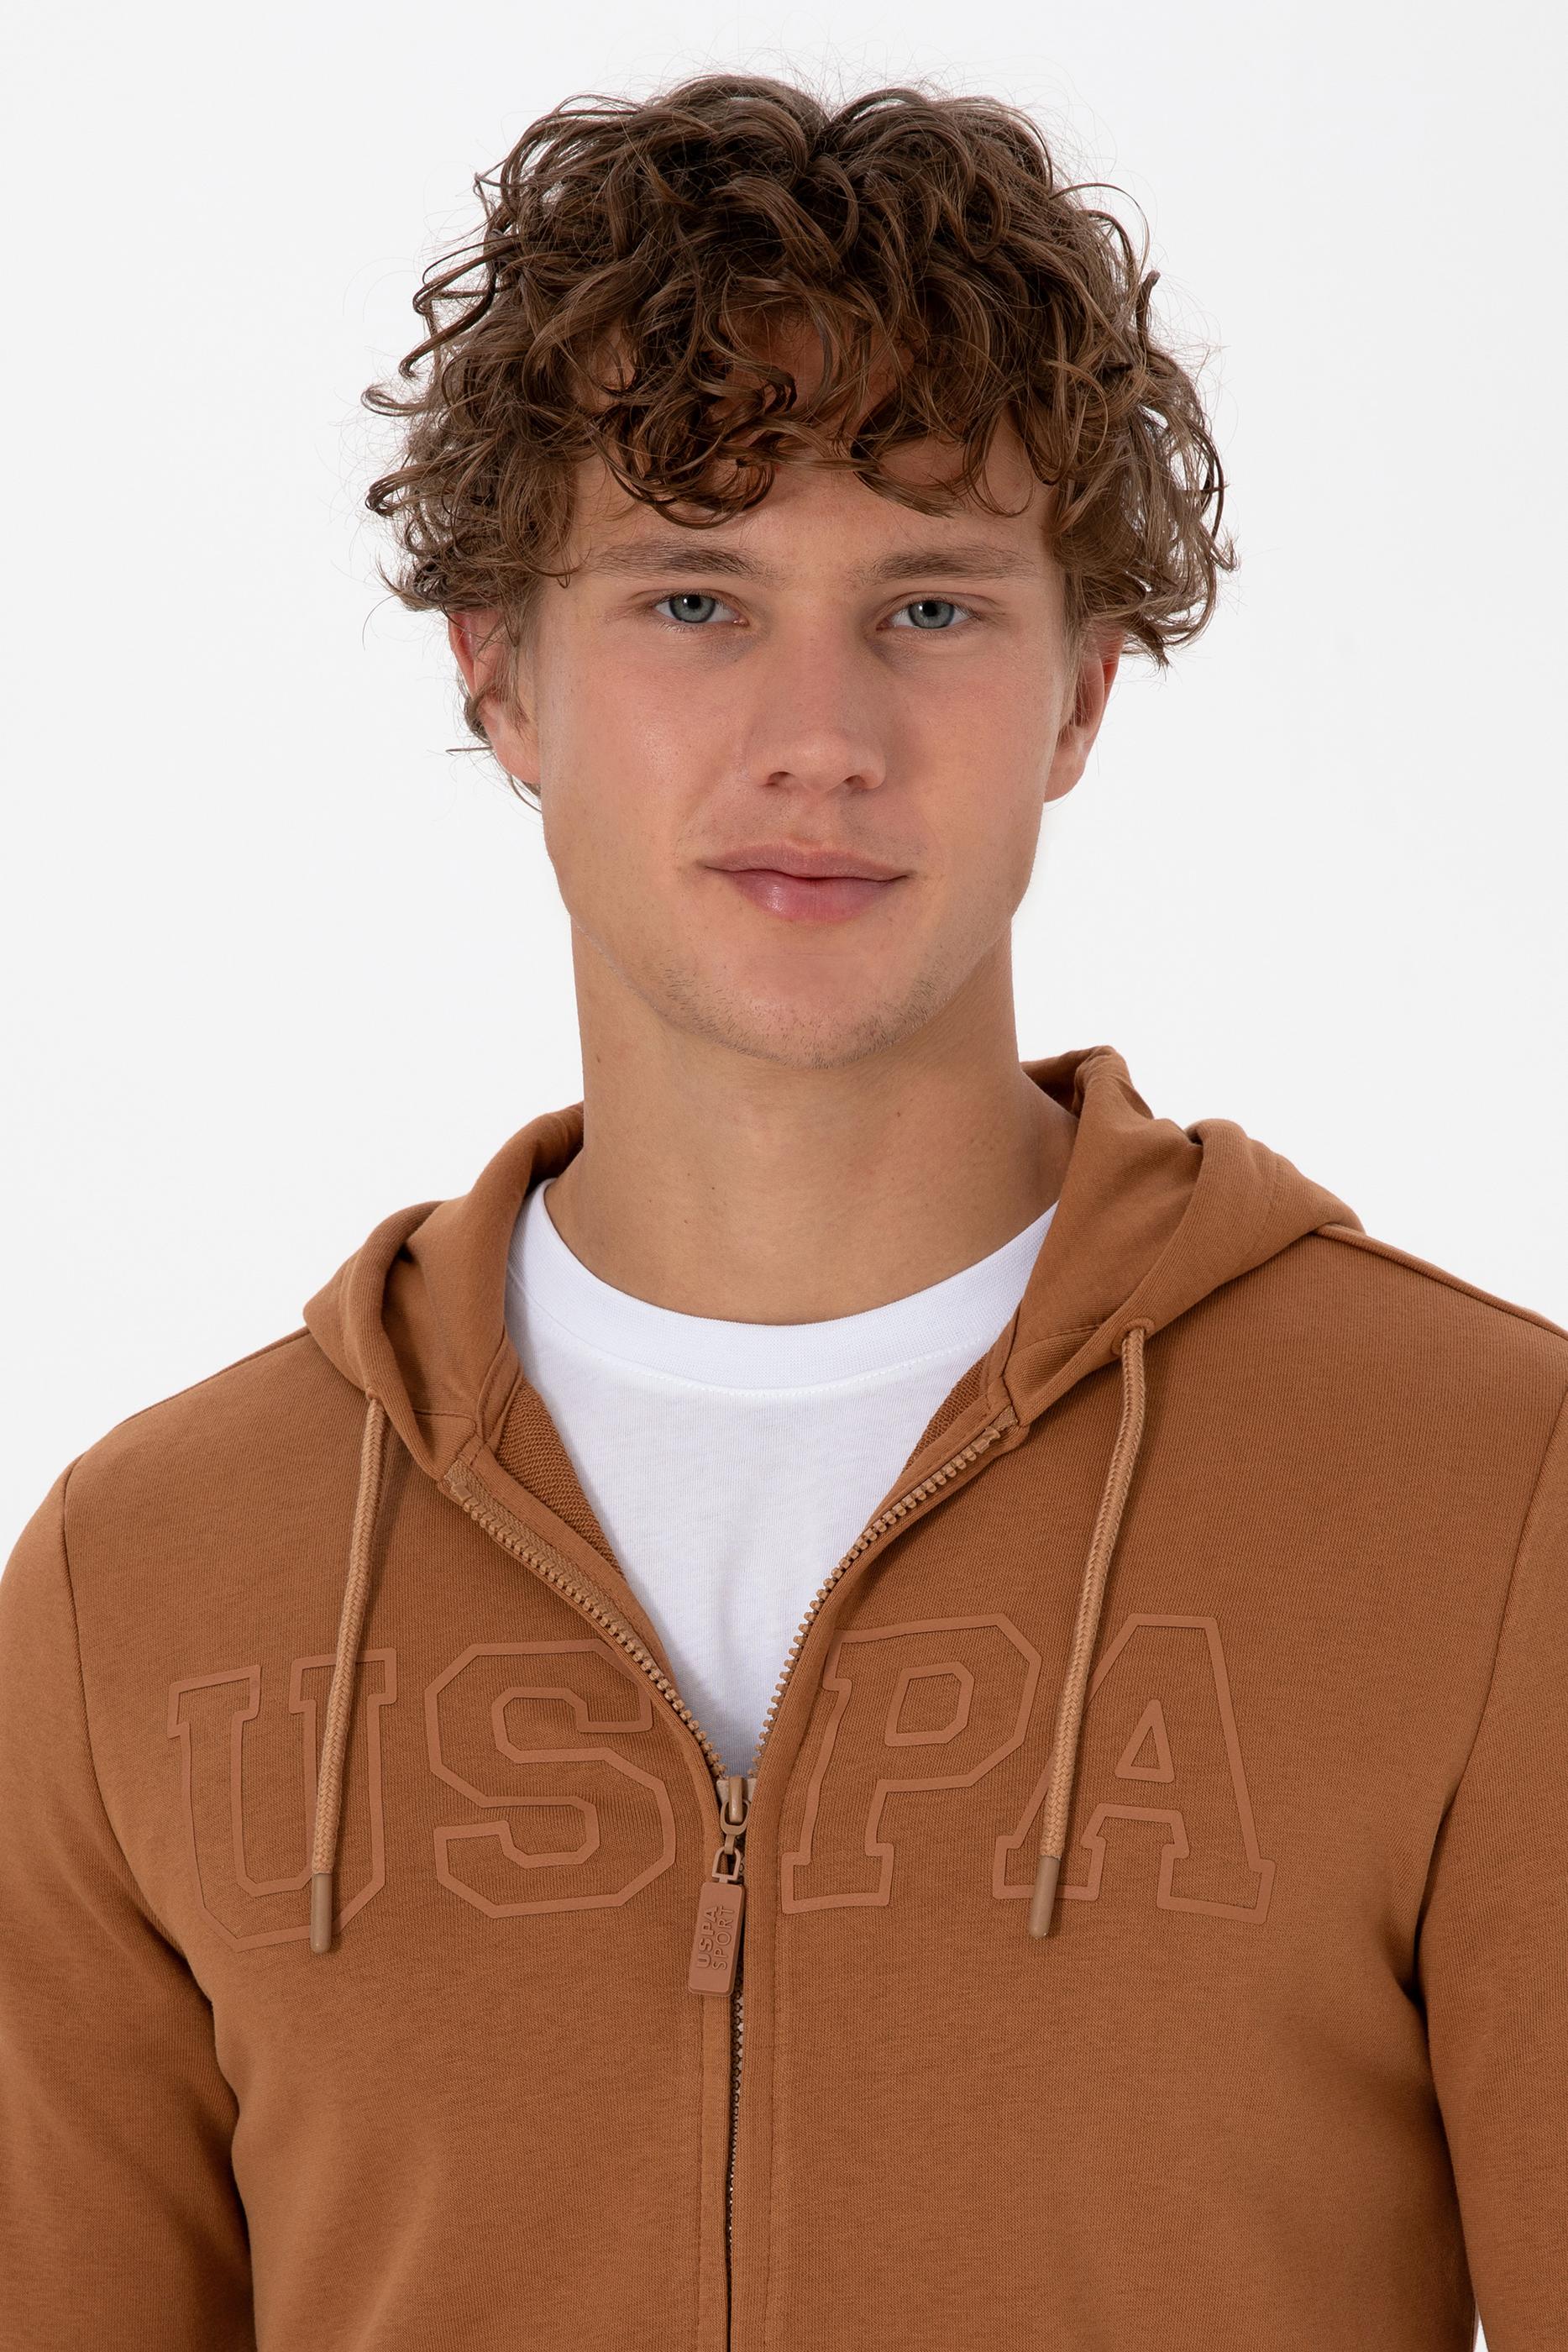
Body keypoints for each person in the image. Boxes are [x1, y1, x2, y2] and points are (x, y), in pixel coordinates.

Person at [1, 69, 1563, 2352]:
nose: (818, 733)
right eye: (694, 598)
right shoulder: (142, 1587)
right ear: (499, 675)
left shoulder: (1490, 1498)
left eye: (929, 603)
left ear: (1079, 692)